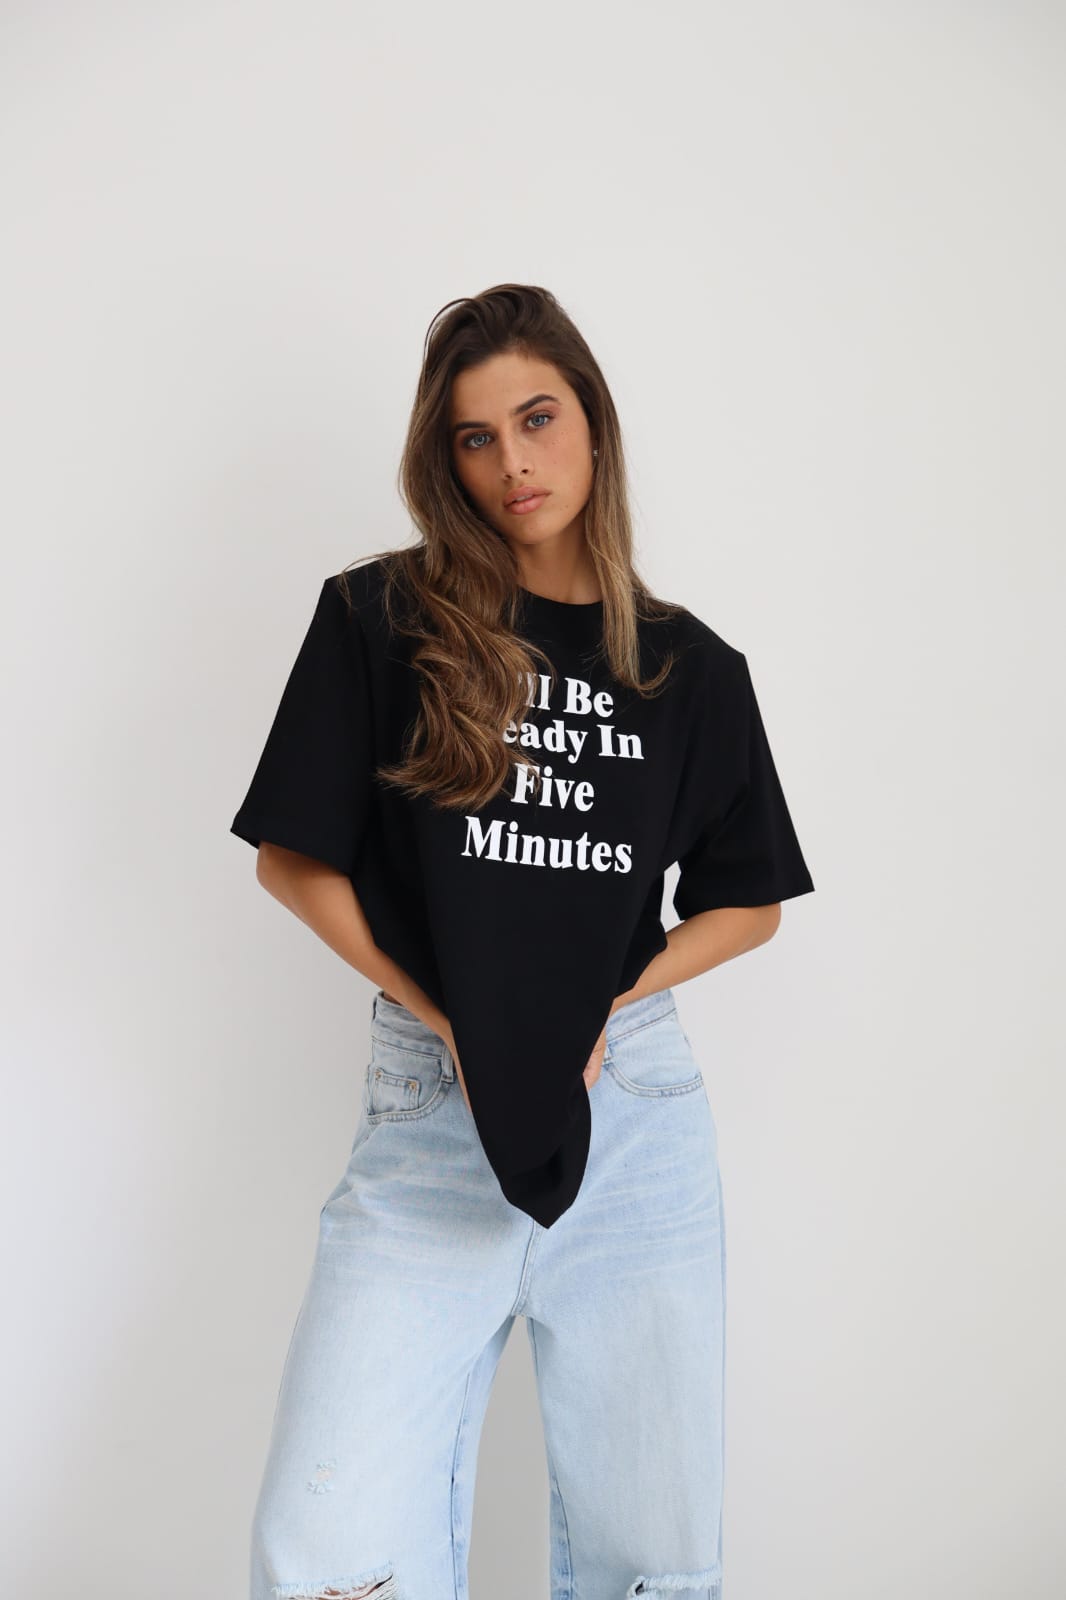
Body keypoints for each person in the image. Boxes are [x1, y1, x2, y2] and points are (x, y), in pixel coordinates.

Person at [231, 283, 815, 1600]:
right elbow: (292, 858)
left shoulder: (689, 670)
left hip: (635, 1119)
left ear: (591, 422)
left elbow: (749, 900)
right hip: (433, 1105)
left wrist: (610, 1005)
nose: (512, 462)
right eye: (475, 437)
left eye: (537, 419)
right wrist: (446, 1016)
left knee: (650, 1560)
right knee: (328, 1548)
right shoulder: (381, 622)